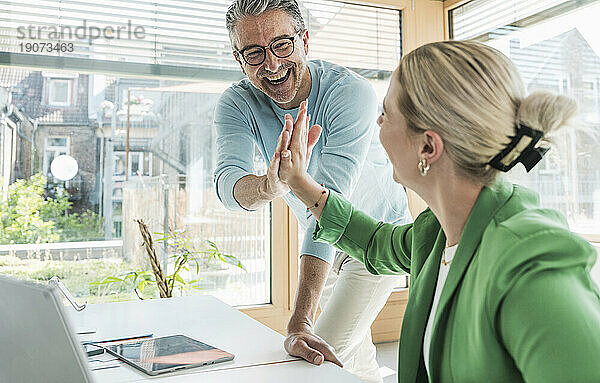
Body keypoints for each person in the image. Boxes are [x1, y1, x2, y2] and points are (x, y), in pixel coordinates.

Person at [275, 40, 600, 382]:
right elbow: (375, 243)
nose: (378, 124)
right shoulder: (435, 234)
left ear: (427, 146)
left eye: (386, 114)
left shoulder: (529, 265)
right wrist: (299, 180)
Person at [213, 1, 412, 381]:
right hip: (322, 252)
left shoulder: (349, 93)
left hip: (374, 244)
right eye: (254, 53)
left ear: (304, 40)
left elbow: (330, 208)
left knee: (315, 362)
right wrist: (268, 187)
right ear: (240, 60)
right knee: (356, 361)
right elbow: (227, 184)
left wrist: (300, 319)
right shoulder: (237, 103)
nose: (271, 65)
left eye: (282, 45)